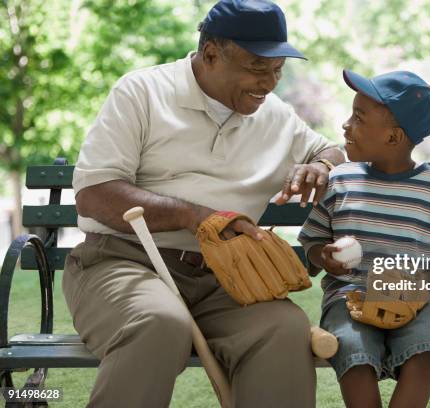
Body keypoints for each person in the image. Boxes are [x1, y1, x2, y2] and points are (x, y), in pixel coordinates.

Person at [63, 0, 344, 406]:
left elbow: (333, 151)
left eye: (277, 71)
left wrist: (320, 165)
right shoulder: (142, 92)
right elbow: (94, 194)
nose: (268, 84)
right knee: (158, 323)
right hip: (124, 263)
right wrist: (195, 217)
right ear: (211, 53)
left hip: (227, 279)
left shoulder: (276, 116)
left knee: (284, 329)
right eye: (256, 67)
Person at [298, 69, 430, 408]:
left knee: (427, 347)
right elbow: (313, 243)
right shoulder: (340, 181)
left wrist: (415, 285)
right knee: (350, 346)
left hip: (418, 303)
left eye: (358, 118)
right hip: (349, 300)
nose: (346, 125)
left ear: (393, 138)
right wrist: (325, 256)